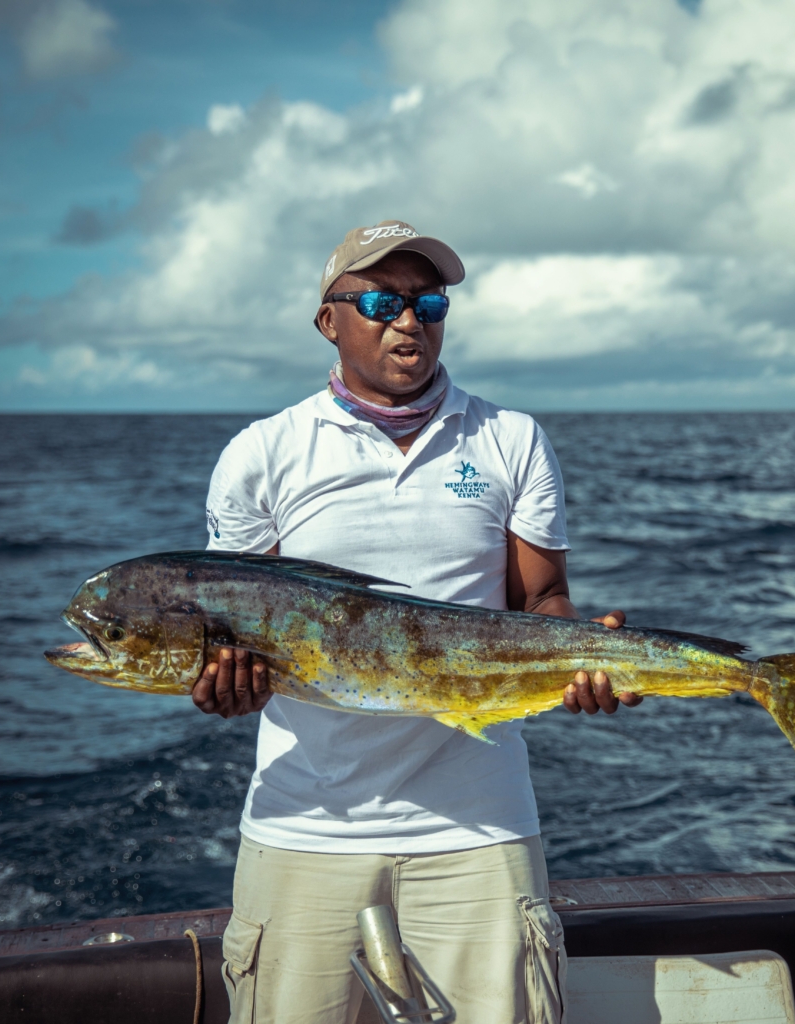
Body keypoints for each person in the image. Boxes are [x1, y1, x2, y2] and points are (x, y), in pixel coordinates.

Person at [192, 220, 642, 1024]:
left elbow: (541, 602)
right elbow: (238, 629)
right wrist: (226, 688)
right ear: (329, 320)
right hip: (306, 829)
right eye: (381, 300)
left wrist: (583, 655)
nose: (410, 319)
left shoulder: (511, 439)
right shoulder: (262, 453)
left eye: (428, 301)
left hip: (482, 822)